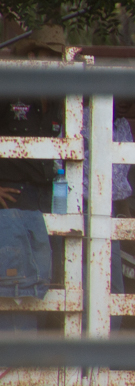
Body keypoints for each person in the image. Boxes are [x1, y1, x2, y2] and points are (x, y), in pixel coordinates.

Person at [0, 24, 66, 326]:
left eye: (57, 57)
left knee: (49, 273)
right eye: (46, 55)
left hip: (48, 194)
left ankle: (42, 346)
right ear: (33, 56)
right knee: (13, 275)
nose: (52, 62)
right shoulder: (10, 89)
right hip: (13, 194)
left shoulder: (62, 100)